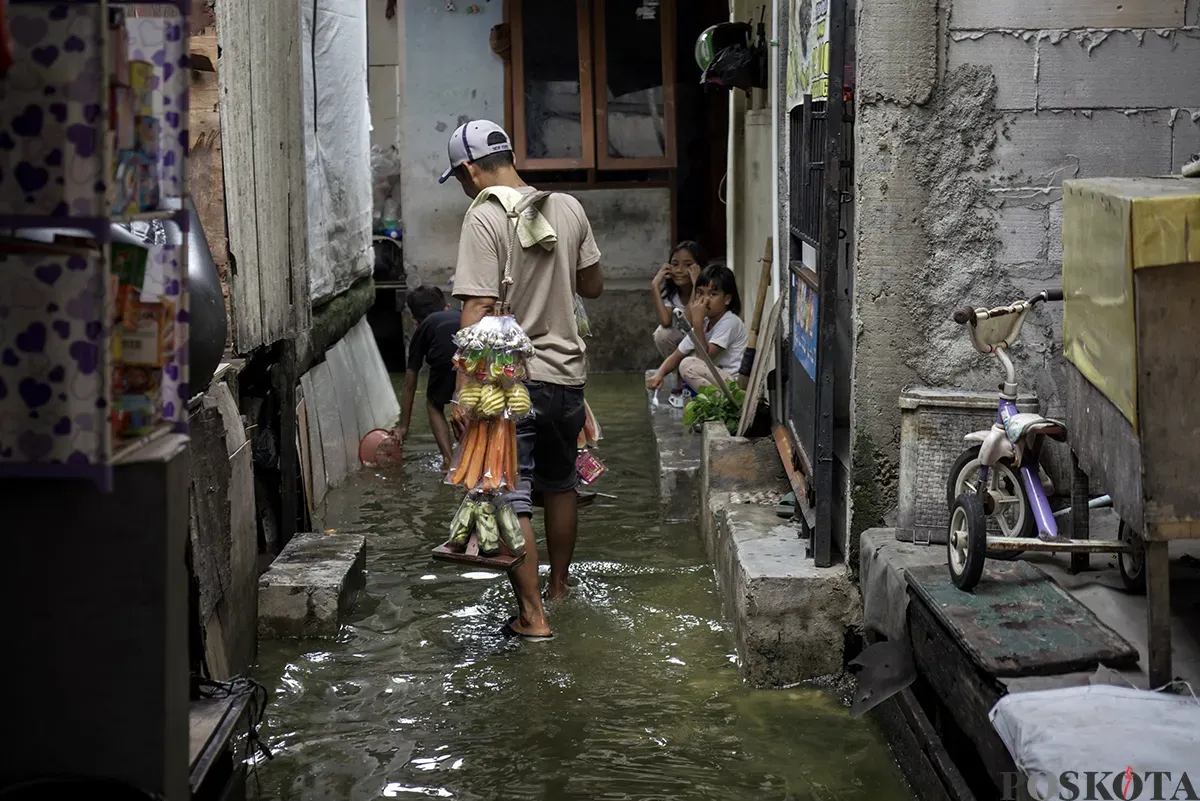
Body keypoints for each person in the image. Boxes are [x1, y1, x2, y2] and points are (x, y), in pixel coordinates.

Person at [441, 119, 604, 640]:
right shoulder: (567, 206)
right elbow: (593, 285)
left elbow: (478, 306)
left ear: (469, 169)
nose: (466, 187)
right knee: (560, 488)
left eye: (462, 178)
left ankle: (533, 617)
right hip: (569, 382)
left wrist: (465, 391)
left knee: (512, 496)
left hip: (515, 385)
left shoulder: (484, 215)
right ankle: (559, 588)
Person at [646, 262, 747, 393]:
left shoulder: (730, 322)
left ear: (727, 299)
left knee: (688, 365)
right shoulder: (706, 323)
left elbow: (706, 357)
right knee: (686, 358)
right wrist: (659, 375)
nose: (705, 300)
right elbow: (677, 354)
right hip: (718, 380)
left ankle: (721, 404)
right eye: (700, 293)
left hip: (733, 385)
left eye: (712, 294)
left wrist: (697, 321)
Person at [394, 285, 460, 467]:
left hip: (444, 359)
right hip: (474, 355)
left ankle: (448, 461)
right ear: (446, 306)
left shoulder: (424, 327)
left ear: (414, 320)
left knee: (433, 403)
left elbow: (409, 383)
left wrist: (403, 427)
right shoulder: (460, 313)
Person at [651, 241, 707, 405]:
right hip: (685, 344)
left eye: (688, 265)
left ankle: (688, 381)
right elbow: (665, 321)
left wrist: (697, 283)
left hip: (703, 345)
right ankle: (679, 379)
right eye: (675, 264)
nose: (679, 270)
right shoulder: (673, 294)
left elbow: (689, 322)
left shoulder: (706, 291)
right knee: (662, 334)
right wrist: (655, 285)